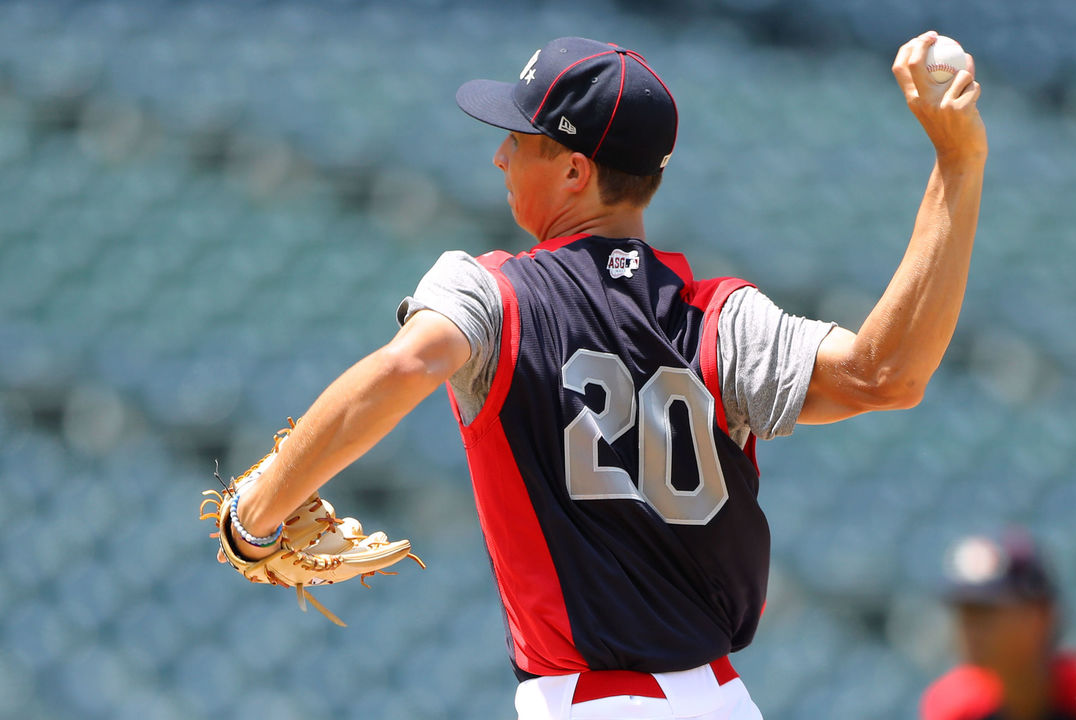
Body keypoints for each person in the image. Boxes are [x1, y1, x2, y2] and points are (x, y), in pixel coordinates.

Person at [226, 32, 985, 719]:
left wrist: (256, 514)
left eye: (519, 139)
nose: (500, 156)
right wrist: (958, 163)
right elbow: (887, 376)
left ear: (575, 171)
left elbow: (406, 365)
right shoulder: (721, 318)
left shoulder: (491, 292)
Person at [922, 530, 1076, 720]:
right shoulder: (954, 706)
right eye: (964, 612)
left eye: (985, 612)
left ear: (1041, 615)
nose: (969, 628)